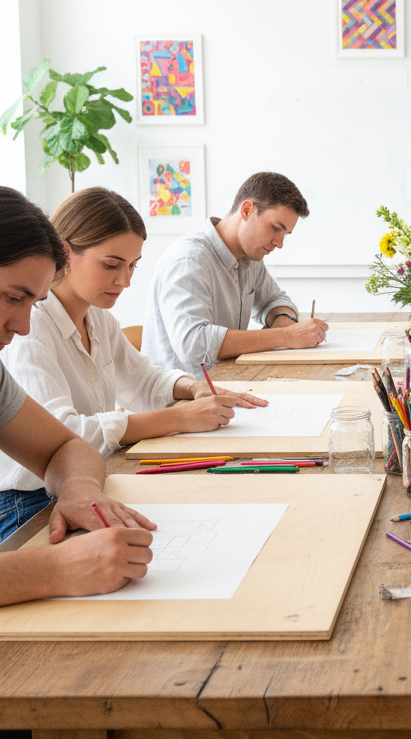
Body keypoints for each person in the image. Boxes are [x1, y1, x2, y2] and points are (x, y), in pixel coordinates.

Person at [0, 187, 268, 539]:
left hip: (81, 479)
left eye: (132, 266)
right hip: (27, 503)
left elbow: (141, 380)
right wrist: (178, 418)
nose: (125, 281)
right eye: (112, 265)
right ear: (65, 252)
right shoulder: (31, 331)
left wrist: (190, 387)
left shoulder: (97, 317)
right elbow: (68, 431)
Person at [142, 171, 328, 376]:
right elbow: (193, 343)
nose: (280, 243)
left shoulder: (250, 257)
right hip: (186, 393)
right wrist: (286, 336)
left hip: (227, 380)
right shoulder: (189, 260)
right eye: (276, 228)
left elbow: (274, 299)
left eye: (286, 234)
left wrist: (283, 318)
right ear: (247, 210)